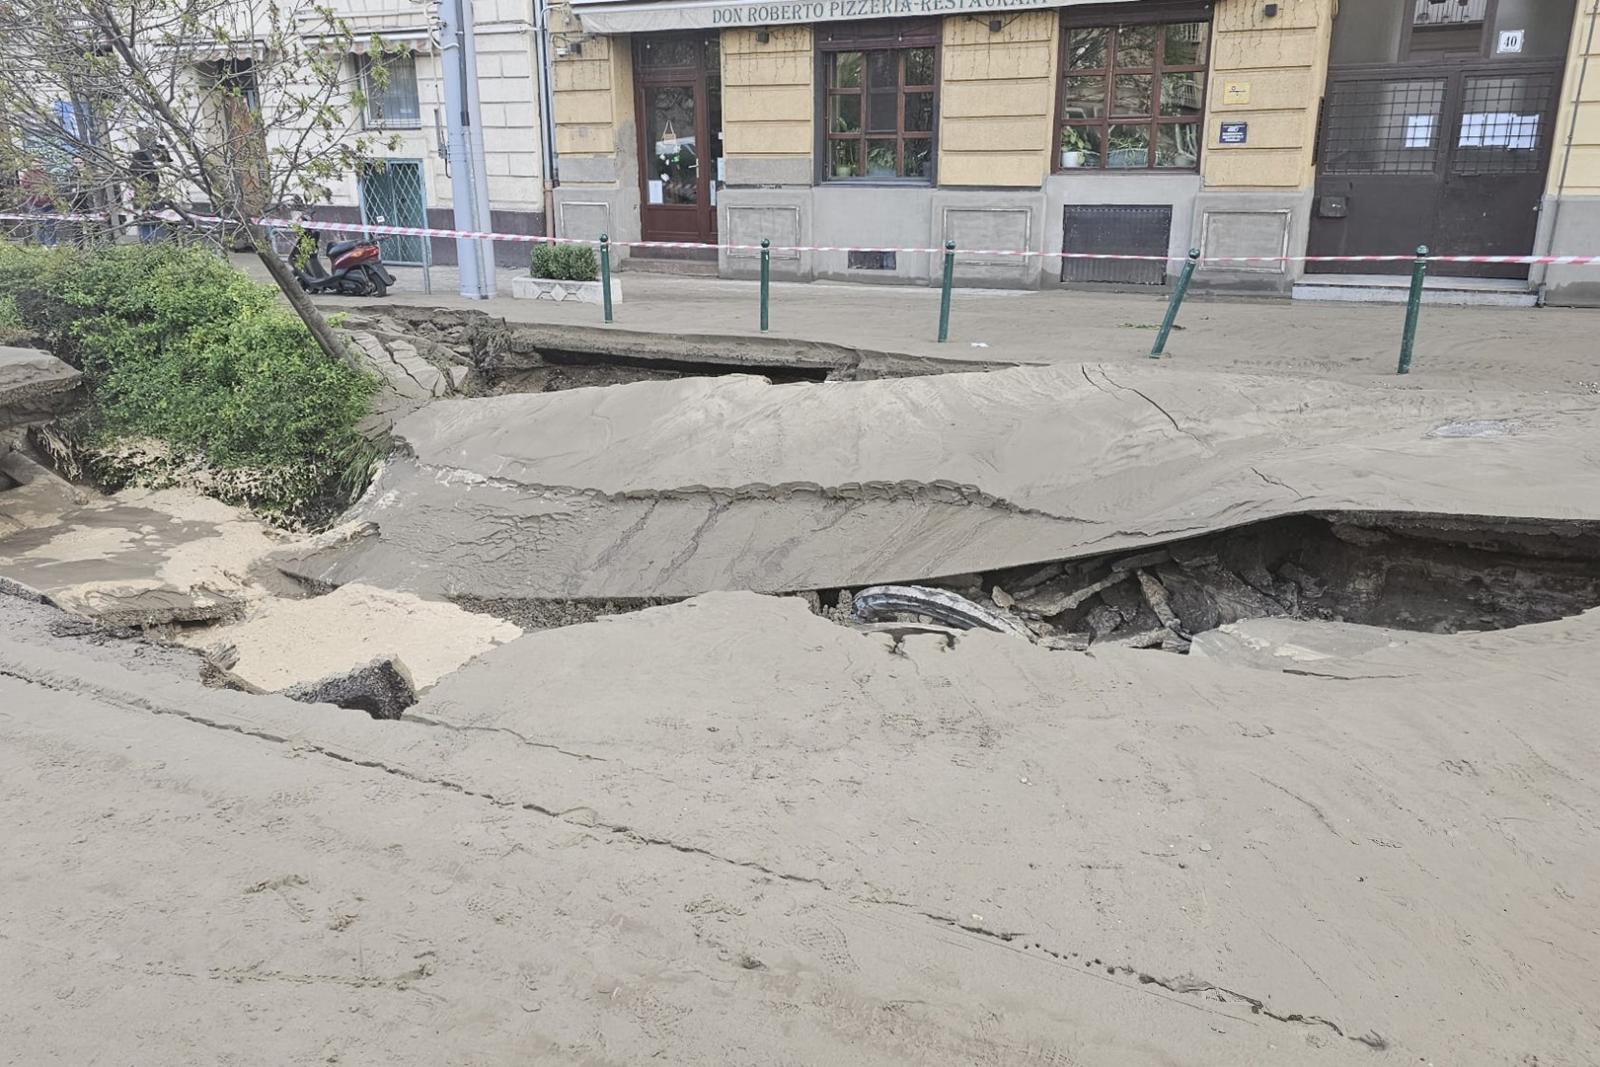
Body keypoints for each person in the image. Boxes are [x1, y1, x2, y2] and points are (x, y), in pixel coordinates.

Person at [129, 131, 171, 243]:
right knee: (154, 229)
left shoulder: (141, 168)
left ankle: (149, 244)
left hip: (145, 202)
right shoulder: (147, 168)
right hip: (151, 201)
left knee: (148, 229)